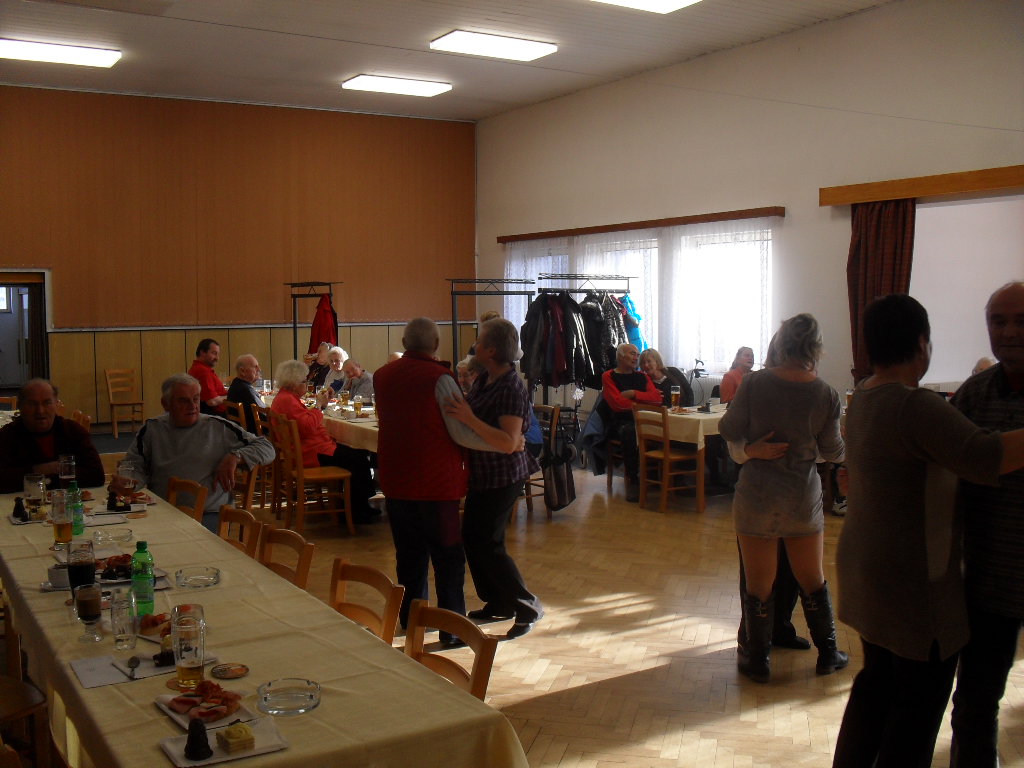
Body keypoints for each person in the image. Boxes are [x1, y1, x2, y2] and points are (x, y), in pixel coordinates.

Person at [833, 294, 1024, 768]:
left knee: (877, 688)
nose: (1008, 331)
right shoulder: (914, 404)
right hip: (915, 588)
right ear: (922, 344)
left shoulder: (865, 395)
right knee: (915, 711)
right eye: (998, 321)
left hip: (874, 577)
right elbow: (983, 457)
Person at [719, 314, 846, 685]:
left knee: (759, 585)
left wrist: (753, 445)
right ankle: (828, 654)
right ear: (815, 347)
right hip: (800, 498)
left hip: (757, 496)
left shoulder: (755, 382)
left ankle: (759, 660)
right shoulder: (825, 393)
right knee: (813, 579)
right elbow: (833, 451)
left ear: (781, 342)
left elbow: (727, 428)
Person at [375, 318, 513, 646]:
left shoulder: (381, 375)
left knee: (409, 556)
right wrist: (504, 443)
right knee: (448, 558)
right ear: (436, 344)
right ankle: (452, 631)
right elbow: (460, 432)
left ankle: (412, 622)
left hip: (396, 479)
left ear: (404, 343)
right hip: (436, 484)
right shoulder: (439, 378)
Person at [949, 282, 1024, 768]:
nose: (1009, 331)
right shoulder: (974, 395)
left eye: (1020, 320)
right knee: (975, 704)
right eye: (998, 321)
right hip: (989, 582)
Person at [445, 318, 544, 639]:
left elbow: (508, 442)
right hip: (484, 473)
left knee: (487, 542)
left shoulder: (511, 387)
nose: (474, 344)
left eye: (480, 340)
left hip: (503, 475)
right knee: (475, 538)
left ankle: (527, 606)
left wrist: (468, 417)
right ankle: (499, 601)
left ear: (490, 350)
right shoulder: (486, 378)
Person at [111, 374, 274, 532]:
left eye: (196, 399)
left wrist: (235, 457)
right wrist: (127, 479)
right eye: (183, 400)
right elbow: (134, 464)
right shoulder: (152, 429)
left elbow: (266, 447)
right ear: (166, 404)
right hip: (162, 511)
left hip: (209, 513)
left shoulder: (218, 427)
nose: (192, 406)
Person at [270, 359, 376, 523]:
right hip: (310, 453)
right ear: (293, 383)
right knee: (359, 459)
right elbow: (308, 426)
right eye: (304, 381)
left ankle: (355, 505)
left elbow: (304, 422)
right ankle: (356, 511)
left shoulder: (285, 397)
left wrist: (321, 406)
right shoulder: (288, 400)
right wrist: (318, 406)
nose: (306, 385)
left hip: (306, 448)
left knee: (356, 452)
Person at [0, 379, 104, 492]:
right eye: (32, 404)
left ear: (56, 404)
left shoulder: (73, 431)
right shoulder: (7, 436)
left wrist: (36, 477)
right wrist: (40, 470)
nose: (40, 411)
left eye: (47, 403)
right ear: (20, 407)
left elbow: (96, 475)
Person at [598, 342, 663, 502]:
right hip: (621, 421)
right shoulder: (609, 376)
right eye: (632, 354)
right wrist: (644, 402)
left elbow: (657, 399)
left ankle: (661, 477)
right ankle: (633, 480)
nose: (636, 358)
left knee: (666, 429)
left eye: (637, 354)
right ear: (620, 356)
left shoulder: (642, 376)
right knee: (629, 432)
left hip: (644, 420)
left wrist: (633, 393)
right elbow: (618, 404)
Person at [225, 354, 265, 432]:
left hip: (240, 432)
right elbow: (263, 416)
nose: (259, 369)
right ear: (242, 371)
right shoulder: (245, 390)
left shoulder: (236, 384)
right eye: (255, 367)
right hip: (253, 434)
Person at [188, 338, 228, 415]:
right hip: (218, 416)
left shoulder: (197, 368)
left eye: (218, 354)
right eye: (214, 353)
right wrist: (231, 397)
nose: (217, 358)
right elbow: (212, 401)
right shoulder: (203, 372)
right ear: (202, 352)